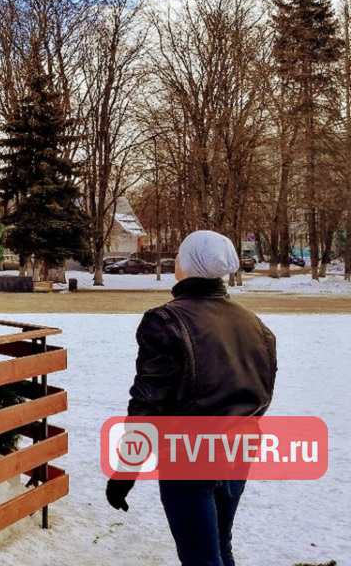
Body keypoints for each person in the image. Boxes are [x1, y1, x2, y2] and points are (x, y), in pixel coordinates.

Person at [106, 230, 277, 566]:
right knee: (219, 545)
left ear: (186, 265)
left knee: (201, 557)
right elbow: (262, 392)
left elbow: (148, 403)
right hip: (238, 451)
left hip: (190, 458)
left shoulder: (165, 321)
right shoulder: (255, 324)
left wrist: (125, 472)